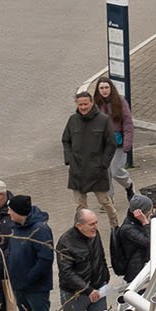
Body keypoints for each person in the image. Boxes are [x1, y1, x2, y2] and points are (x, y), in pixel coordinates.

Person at [3, 192, 57, 311]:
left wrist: (29, 278)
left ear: (19, 212)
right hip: (19, 286)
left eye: (11, 210)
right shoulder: (16, 227)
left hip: (36, 287)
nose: (9, 214)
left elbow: (45, 259)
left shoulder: (40, 229)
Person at [62, 89, 120, 226]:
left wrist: (103, 164)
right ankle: (83, 228)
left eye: (85, 104)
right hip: (77, 171)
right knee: (80, 206)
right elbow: (66, 140)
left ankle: (115, 226)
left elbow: (111, 144)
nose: (83, 107)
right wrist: (69, 160)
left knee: (105, 202)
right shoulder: (73, 120)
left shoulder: (103, 120)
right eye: (80, 105)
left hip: (97, 171)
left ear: (91, 103)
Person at [84, 73, 135, 187]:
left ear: (111, 88)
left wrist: (127, 143)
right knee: (105, 172)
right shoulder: (94, 104)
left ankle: (129, 185)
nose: (104, 90)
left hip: (118, 142)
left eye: (107, 87)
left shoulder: (120, 101)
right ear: (98, 90)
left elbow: (128, 123)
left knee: (116, 170)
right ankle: (109, 202)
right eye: (101, 88)